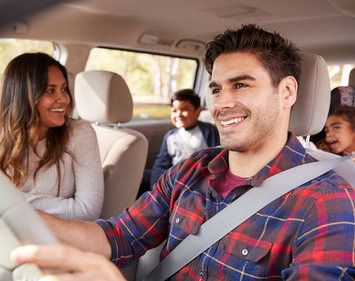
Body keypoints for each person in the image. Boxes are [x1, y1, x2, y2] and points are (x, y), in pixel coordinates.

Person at [11, 24, 355, 280]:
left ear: (287, 91)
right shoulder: (193, 170)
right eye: (217, 89)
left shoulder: (328, 201)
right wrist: (14, 212)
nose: (222, 103)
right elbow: (116, 236)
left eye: (242, 85)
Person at [0, 52, 104, 221]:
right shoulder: (3, 136)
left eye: (64, 89)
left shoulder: (79, 133)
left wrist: (12, 201)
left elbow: (87, 210)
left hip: (54, 241)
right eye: (50, 91)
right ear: (23, 97)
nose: (64, 99)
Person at [150, 89, 220, 187]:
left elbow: (217, 158)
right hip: (175, 181)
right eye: (174, 110)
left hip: (200, 180)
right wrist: (156, 186)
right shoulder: (170, 136)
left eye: (184, 110)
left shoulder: (208, 130)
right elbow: (160, 165)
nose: (178, 114)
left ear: (198, 111)